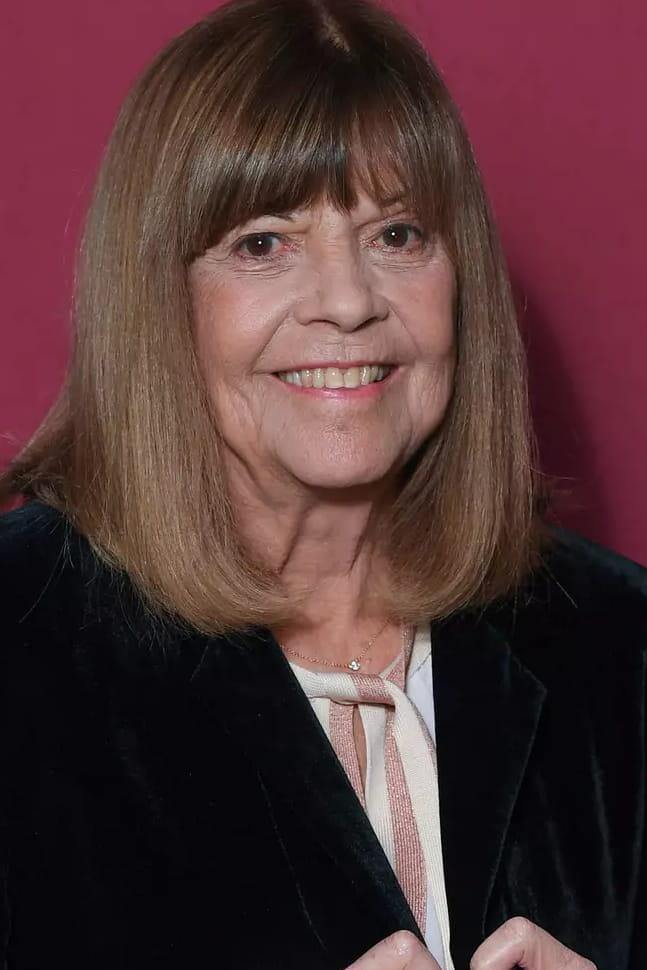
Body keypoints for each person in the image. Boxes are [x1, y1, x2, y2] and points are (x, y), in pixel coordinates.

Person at [0, 0, 644, 967]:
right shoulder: (19, 644)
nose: (347, 302)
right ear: (159, 295)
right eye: (264, 242)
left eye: (397, 235)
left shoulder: (620, 645)